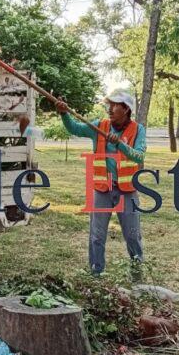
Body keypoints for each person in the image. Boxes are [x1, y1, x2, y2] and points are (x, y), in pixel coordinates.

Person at [56, 89, 147, 279]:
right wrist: (64, 113)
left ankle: (137, 276)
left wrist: (120, 144)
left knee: (132, 235)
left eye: (114, 105)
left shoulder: (138, 130)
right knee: (97, 235)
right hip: (102, 189)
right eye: (109, 105)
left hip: (127, 191)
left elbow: (139, 156)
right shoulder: (99, 126)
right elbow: (74, 128)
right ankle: (96, 275)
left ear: (126, 109)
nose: (110, 109)